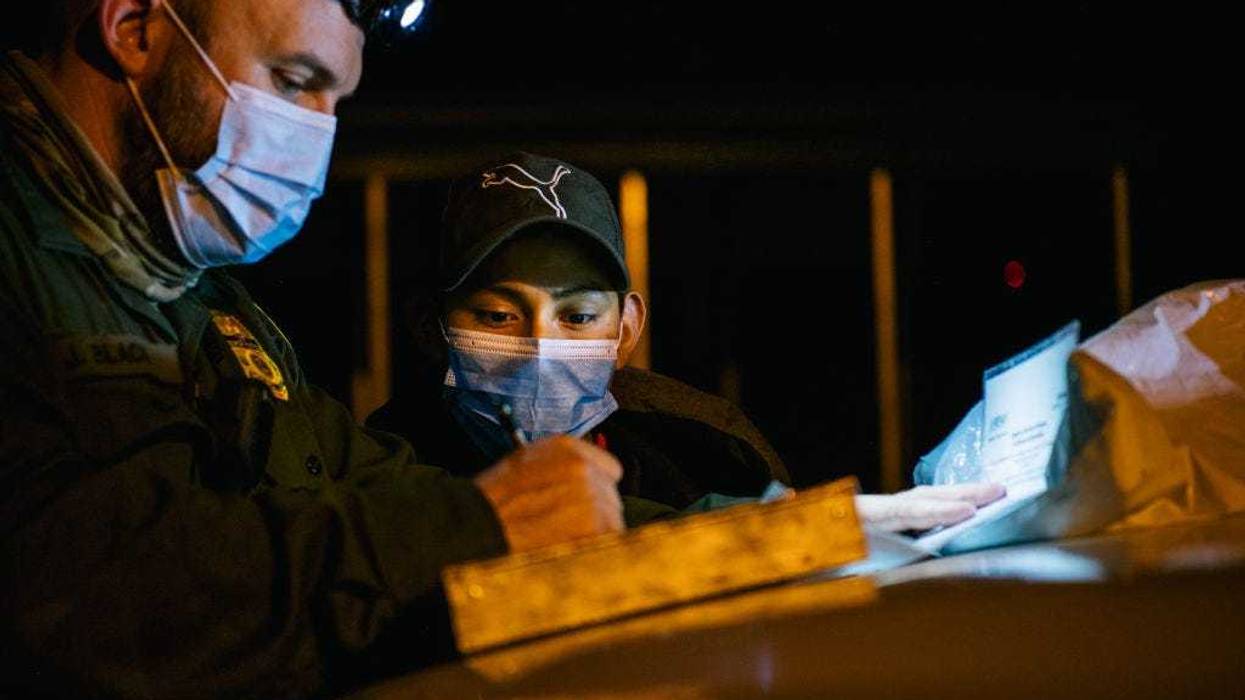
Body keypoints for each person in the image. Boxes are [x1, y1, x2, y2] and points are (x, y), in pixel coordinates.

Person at [0, 2, 624, 697]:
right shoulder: (23, 249)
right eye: (293, 82)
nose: (316, 145)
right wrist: (467, 530)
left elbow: (360, 477)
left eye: (333, 104)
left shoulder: (200, 299)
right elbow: (75, 594)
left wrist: (738, 525)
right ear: (136, 30)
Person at [368, 152, 1006, 530]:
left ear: (626, 329)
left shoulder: (704, 446)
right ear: (431, 328)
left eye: (578, 317)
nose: (542, 347)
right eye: (499, 315)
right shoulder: (380, 472)